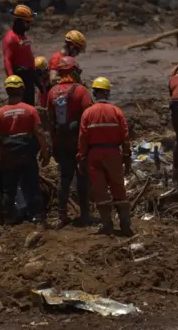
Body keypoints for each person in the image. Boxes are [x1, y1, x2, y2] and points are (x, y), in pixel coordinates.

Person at [78, 77, 133, 235]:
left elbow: (83, 138)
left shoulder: (87, 113)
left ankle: (107, 225)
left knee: (100, 189)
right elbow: (125, 136)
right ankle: (125, 224)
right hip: (113, 153)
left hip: (94, 154)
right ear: (108, 92)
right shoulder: (116, 111)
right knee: (118, 187)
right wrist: (127, 156)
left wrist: (81, 157)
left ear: (94, 93)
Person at [0, 75, 51, 226]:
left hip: (9, 153)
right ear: (22, 90)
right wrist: (45, 151)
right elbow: (39, 132)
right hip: (26, 151)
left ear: (7, 91)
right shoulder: (30, 110)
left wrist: (1, 155)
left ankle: (8, 219)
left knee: (9, 188)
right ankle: (38, 218)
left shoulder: (0, 113)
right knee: (32, 185)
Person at [47, 56, 93, 227]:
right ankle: (85, 215)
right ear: (73, 71)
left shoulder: (52, 92)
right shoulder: (81, 91)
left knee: (64, 177)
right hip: (78, 140)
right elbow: (89, 116)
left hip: (61, 140)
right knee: (82, 176)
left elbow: (50, 121)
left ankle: (61, 216)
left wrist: (53, 143)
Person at [2, 4, 37, 106]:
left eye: (30, 22)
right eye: (27, 22)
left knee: (30, 106)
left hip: (30, 76)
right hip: (20, 77)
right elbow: (7, 60)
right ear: (19, 22)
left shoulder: (23, 37)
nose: (29, 24)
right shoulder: (11, 38)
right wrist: (12, 81)